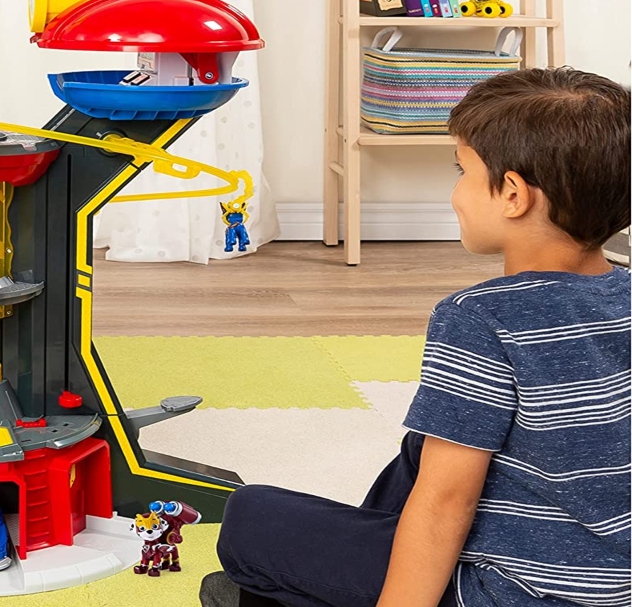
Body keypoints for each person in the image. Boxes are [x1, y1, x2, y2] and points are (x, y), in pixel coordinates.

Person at [202, 67, 631, 607]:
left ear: (513, 194)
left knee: (251, 516)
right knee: (424, 446)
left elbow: (446, 503)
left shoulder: (479, 318)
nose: (455, 192)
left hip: (508, 592)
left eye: (462, 171)